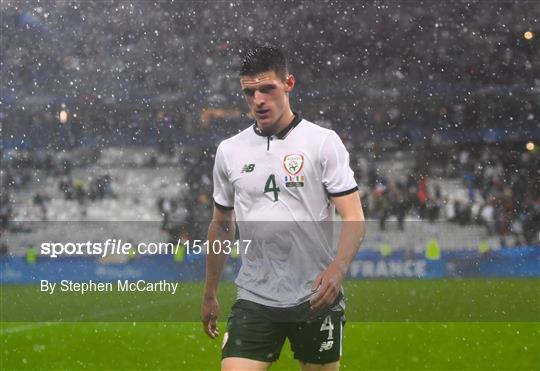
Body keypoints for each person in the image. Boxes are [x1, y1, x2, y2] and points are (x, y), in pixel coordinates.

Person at [201, 45, 365, 371]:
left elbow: (354, 217)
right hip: (255, 298)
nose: (258, 100)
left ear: (288, 83)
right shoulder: (229, 151)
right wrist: (209, 293)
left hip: (316, 296)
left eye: (267, 89)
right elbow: (221, 225)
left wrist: (337, 269)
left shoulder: (322, 142)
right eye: (249, 92)